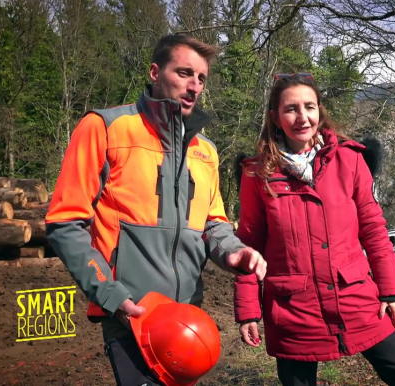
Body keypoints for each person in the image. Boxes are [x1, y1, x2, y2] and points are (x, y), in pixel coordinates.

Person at [45, 34, 267, 386]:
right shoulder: (104, 127)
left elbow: (213, 224)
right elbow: (63, 221)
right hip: (129, 314)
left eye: (201, 78)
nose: (194, 85)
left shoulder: (206, 151)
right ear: (154, 72)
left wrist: (236, 253)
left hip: (189, 321)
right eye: (183, 73)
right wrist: (111, 296)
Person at [233, 73, 395, 386]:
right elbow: (249, 245)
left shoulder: (350, 159)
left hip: (356, 297)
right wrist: (248, 310)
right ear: (275, 117)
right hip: (293, 310)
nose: (302, 117)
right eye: (291, 109)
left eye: (309, 107)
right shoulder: (257, 174)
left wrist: (390, 290)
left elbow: (373, 229)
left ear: (320, 110)